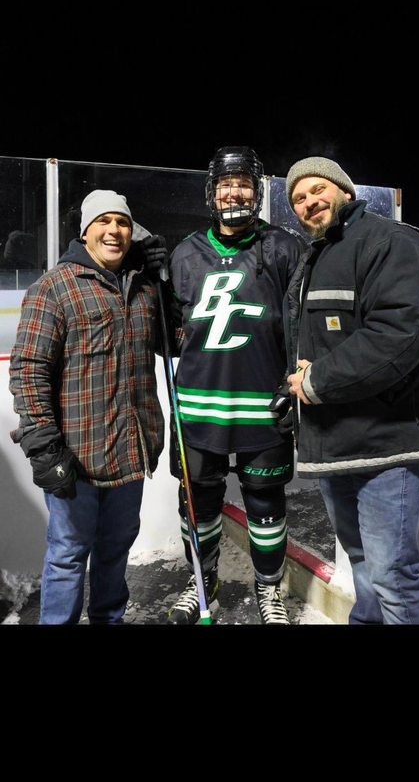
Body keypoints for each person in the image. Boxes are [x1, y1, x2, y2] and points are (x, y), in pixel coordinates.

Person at [285, 157, 419, 625]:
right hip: (336, 442)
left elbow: (399, 334)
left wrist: (317, 380)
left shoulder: (393, 241)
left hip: (388, 443)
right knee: (362, 563)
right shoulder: (316, 256)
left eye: (317, 189)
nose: (308, 202)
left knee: (391, 574)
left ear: (345, 191)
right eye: (298, 198)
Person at [9, 189, 167, 625]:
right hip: (74, 456)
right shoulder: (54, 287)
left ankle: (108, 619)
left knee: (116, 550)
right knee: (67, 555)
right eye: (104, 222)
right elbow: (29, 370)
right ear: (86, 230)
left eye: (122, 223)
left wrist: (167, 281)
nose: (114, 230)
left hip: (130, 451)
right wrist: (42, 443)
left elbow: (173, 339)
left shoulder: (144, 288)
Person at [163, 146, 304, 625]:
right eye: (227, 184)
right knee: (197, 504)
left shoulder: (285, 247)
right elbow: (168, 332)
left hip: (263, 405)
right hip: (199, 408)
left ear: (258, 191)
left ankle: (270, 590)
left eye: (243, 183)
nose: (235, 191)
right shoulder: (184, 253)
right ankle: (203, 583)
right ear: (212, 192)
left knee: (266, 504)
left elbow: (302, 326)